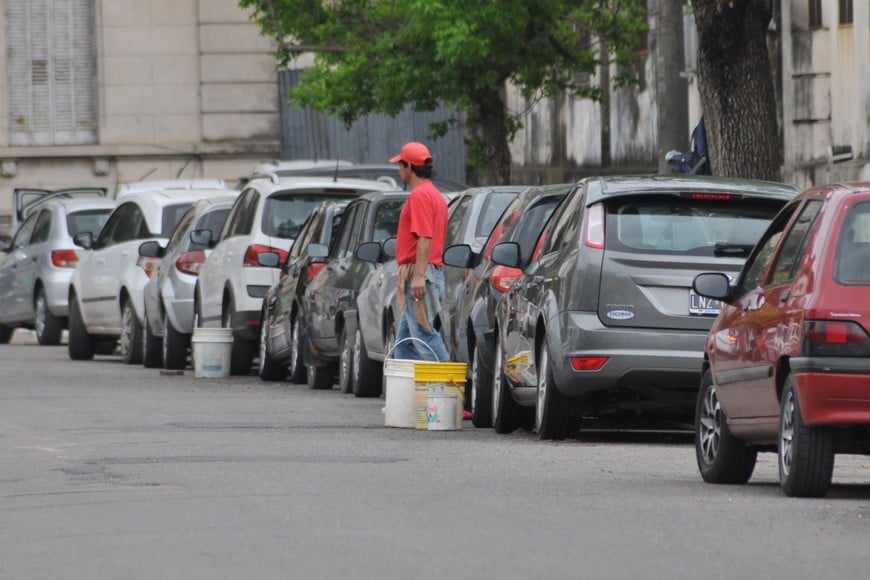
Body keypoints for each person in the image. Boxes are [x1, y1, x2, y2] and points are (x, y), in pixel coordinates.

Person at [390, 141, 450, 362]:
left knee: (425, 338)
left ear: (409, 166)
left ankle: (449, 389)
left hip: (419, 274)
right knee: (405, 345)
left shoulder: (419, 196)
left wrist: (418, 276)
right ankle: (405, 396)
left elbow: (425, 236)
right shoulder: (434, 194)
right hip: (428, 272)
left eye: (401, 165)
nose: (399, 170)